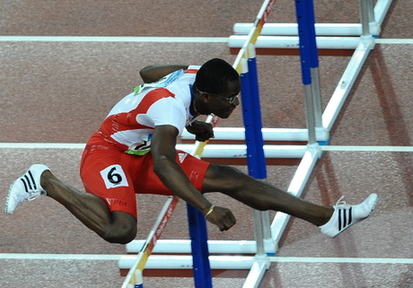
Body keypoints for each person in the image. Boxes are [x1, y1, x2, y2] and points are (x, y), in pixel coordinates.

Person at [5, 58, 377, 243]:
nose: (234, 103)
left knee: (229, 178)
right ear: (205, 94)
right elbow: (165, 163)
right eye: (228, 99)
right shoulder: (169, 107)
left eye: (236, 94)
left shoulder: (194, 75)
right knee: (121, 230)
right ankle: (45, 179)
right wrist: (208, 208)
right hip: (107, 154)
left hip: (142, 149)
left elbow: (147, 71)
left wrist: (189, 120)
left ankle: (327, 217)